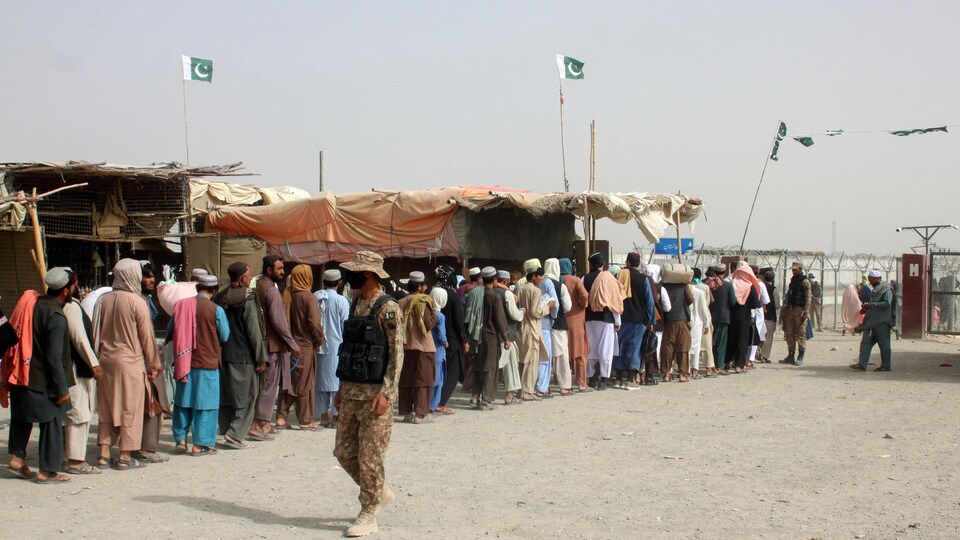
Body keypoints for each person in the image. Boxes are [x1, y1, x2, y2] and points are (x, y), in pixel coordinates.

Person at [333, 251, 404, 537]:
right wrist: (341, 388)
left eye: (354, 271)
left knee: (370, 458)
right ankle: (378, 489)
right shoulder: (355, 304)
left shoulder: (388, 308)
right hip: (351, 392)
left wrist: (387, 392)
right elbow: (349, 350)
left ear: (367, 274)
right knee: (344, 452)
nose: (347, 275)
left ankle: (369, 511)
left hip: (376, 395)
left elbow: (396, 354)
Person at [6, 267, 75, 483]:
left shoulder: (31, 303)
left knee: (21, 417)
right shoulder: (56, 317)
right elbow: (54, 359)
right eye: (73, 286)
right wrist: (62, 390)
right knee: (51, 422)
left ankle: (17, 459)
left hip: (21, 373)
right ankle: (47, 471)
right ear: (65, 290)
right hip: (41, 380)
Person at [94, 258, 162, 470]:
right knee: (130, 409)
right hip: (131, 364)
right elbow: (147, 339)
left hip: (105, 362)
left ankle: (103, 454)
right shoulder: (137, 302)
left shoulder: (102, 300)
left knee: (106, 408)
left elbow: (95, 333)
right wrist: (154, 365)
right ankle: (125, 455)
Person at [170, 274, 229, 455]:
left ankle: (180, 439)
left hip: (184, 363)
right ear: (215, 290)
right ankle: (200, 444)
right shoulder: (216, 310)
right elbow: (225, 335)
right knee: (206, 404)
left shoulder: (180, 306)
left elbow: (170, 330)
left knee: (183, 402)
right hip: (207, 363)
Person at [214, 262, 268, 447]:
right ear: (244, 278)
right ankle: (235, 434)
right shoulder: (247, 297)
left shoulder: (219, 296)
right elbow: (253, 330)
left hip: (223, 354)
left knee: (228, 396)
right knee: (247, 396)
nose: (251, 278)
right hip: (244, 355)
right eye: (250, 275)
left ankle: (227, 428)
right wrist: (261, 357)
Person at [252, 255, 301, 438]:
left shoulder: (258, 286)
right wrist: (292, 343)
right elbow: (279, 322)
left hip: (262, 343)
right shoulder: (271, 291)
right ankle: (257, 425)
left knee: (265, 386)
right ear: (269, 270)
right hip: (271, 346)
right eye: (279, 269)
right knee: (269, 387)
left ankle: (264, 423)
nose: (282, 272)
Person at [62, 271, 103, 474]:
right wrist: (94, 364)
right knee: (79, 414)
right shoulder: (70, 307)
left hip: (66, 369)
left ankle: (67, 455)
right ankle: (75, 461)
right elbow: (79, 339)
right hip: (75, 370)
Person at [277, 265, 325, 430]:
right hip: (304, 347)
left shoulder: (286, 295)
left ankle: (281, 418)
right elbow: (315, 324)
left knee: (288, 382)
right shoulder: (308, 297)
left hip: (288, 346)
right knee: (305, 384)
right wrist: (319, 339)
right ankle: (305, 420)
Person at [137, 262, 170, 464]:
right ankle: (147, 448)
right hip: (145, 362)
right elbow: (145, 337)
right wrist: (153, 361)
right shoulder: (138, 302)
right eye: (146, 276)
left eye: (152, 276)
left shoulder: (144, 300)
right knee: (152, 404)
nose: (151, 280)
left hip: (142, 359)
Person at [397, 271, 438, 423]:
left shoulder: (401, 302)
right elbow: (428, 324)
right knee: (423, 381)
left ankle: (407, 413)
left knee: (406, 380)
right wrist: (435, 316)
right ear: (420, 287)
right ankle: (420, 414)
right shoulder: (423, 302)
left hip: (405, 347)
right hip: (423, 347)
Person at [583, 253, 624, 390]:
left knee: (591, 349)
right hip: (606, 319)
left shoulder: (584, 278)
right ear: (603, 264)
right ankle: (603, 380)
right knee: (605, 349)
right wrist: (617, 321)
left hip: (589, 318)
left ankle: (592, 378)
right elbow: (614, 301)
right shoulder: (609, 278)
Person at [613, 253, 654, 388]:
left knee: (619, 346)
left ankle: (618, 378)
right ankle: (630, 379)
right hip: (638, 320)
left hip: (621, 317)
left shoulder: (619, 276)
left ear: (628, 263)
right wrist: (651, 321)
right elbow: (649, 302)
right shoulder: (644, 279)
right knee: (634, 347)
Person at [316, 269, 350, 428]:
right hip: (337, 344)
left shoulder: (316, 297)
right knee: (335, 381)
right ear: (339, 283)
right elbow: (345, 324)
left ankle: (324, 416)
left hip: (319, 344)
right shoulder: (341, 301)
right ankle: (335, 418)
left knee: (321, 381)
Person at [474, 267, 510, 409]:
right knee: (490, 368)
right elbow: (499, 319)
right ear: (495, 280)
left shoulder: (476, 294)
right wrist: (506, 338)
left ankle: (475, 397)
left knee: (477, 366)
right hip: (490, 336)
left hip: (476, 335)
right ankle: (486, 400)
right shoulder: (495, 297)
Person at [516, 261, 553, 400]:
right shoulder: (536, 291)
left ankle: (521, 390)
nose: (541, 279)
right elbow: (535, 312)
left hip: (521, 328)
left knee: (522, 361)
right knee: (531, 362)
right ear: (534, 277)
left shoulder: (519, 288)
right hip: (532, 328)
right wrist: (548, 306)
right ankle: (527, 391)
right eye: (540, 276)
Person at [434, 265, 466, 415]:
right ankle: (441, 402)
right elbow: (459, 322)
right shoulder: (452, 295)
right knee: (453, 371)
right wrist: (464, 340)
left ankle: (433, 400)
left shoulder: (433, 292)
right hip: (452, 339)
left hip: (434, 338)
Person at [850, 270, 894, 372]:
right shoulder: (875, 291)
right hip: (871, 322)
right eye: (870, 281)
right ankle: (862, 364)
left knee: (884, 344)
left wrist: (872, 305)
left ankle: (886, 365)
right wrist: (866, 309)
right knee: (866, 342)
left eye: (872, 281)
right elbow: (874, 304)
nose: (871, 283)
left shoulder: (887, 290)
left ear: (878, 279)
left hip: (882, 322)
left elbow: (886, 303)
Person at [559, 258, 590, 391]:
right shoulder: (575, 280)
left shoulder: (557, 281)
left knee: (563, 353)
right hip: (576, 319)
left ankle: (563, 383)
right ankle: (581, 383)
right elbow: (584, 295)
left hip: (561, 320)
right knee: (580, 354)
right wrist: (582, 305)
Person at [543, 258, 573, 395]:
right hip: (559, 324)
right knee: (561, 356)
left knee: (544, 356)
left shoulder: (540, 284)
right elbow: (567, 306)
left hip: (542, 323)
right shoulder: (561, 286)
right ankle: (564, 386)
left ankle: (544, 386)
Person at [726, 264, 763, 374]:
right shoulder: (749, 286)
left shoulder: (732, 283)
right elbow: (756, 303)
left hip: (731, 314)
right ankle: (739, 366)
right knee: (742, 340)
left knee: (731, 338)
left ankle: (726, 362)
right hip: (744, 315)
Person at [494, 270, 523, 404]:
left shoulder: (489, 291)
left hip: (492, 334)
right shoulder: (507, 294)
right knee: (510, 365)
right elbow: (514, 315)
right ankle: (509, 395)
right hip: (507, 335)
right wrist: (522, 311)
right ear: (506, 281)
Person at [532, 259, 560, 397]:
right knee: (544, 358)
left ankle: (530, 386)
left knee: (532, 357)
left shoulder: (522, 285)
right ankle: (541, 388)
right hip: (544, 325)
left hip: (529, 327)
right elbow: (555, 304)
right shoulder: (547, 283)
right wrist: (553, 316)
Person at [660, 272, 694, 382]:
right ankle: (683, 374)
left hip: (668, 320)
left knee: (667, 347)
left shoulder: (663, 285)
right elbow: (690, 300)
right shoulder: (683, 285)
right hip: (682, 319)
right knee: (683, 347)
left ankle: (666, 373)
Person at [779, 262, 811, 366]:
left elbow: (808, 298)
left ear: (800, 269)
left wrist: (806, 312)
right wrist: (786, 307)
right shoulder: (793, 281)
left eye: (795, 270)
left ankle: (800, 356)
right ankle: (790, 355)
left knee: (801, 334)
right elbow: (791, 295)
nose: (793, 271)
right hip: (792, 310)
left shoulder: (805, 281)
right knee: (789, 333)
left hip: (800, 310)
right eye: (792, 270)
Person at [707, 265, 734, 375]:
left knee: (711, 342)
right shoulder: (727, 286)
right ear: (724, 271)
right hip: (723, 317)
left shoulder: (708, 284)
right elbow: (732, 301)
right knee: (721, 343)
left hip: (710, 317)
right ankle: (718, 367)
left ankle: (710, 366)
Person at [691, 268, 716, 376]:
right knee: (706, 345)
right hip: (703, 318)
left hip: (690, 319)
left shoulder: (686, 288)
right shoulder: (704, 287)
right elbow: (709, 302)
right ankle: (709, 367)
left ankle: (689, 369)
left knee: (690, 346)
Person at [428, 287, 448, 414]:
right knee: (437, 380)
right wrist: (446, 342)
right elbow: (441, 335)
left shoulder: (427, 312)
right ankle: (431, 406)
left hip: (427, 349)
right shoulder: (440, 316)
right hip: (438, 350)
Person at [688, 272, 711, 379]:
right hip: (697, 322)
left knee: (686, 346)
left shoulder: (683, 290)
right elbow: (704, 309)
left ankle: (686, 370)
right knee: (696, 347)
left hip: (686, 322)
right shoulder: (699, 292)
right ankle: (695, 370)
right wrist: (706, 324)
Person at [759, 270, 779, 363]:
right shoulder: (773, 289)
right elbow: (777, 305)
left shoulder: (760, 286)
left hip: (760, 315)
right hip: (770, 316)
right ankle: (764, 356)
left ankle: (757, 353)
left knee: (759, 335)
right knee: (768, 337)